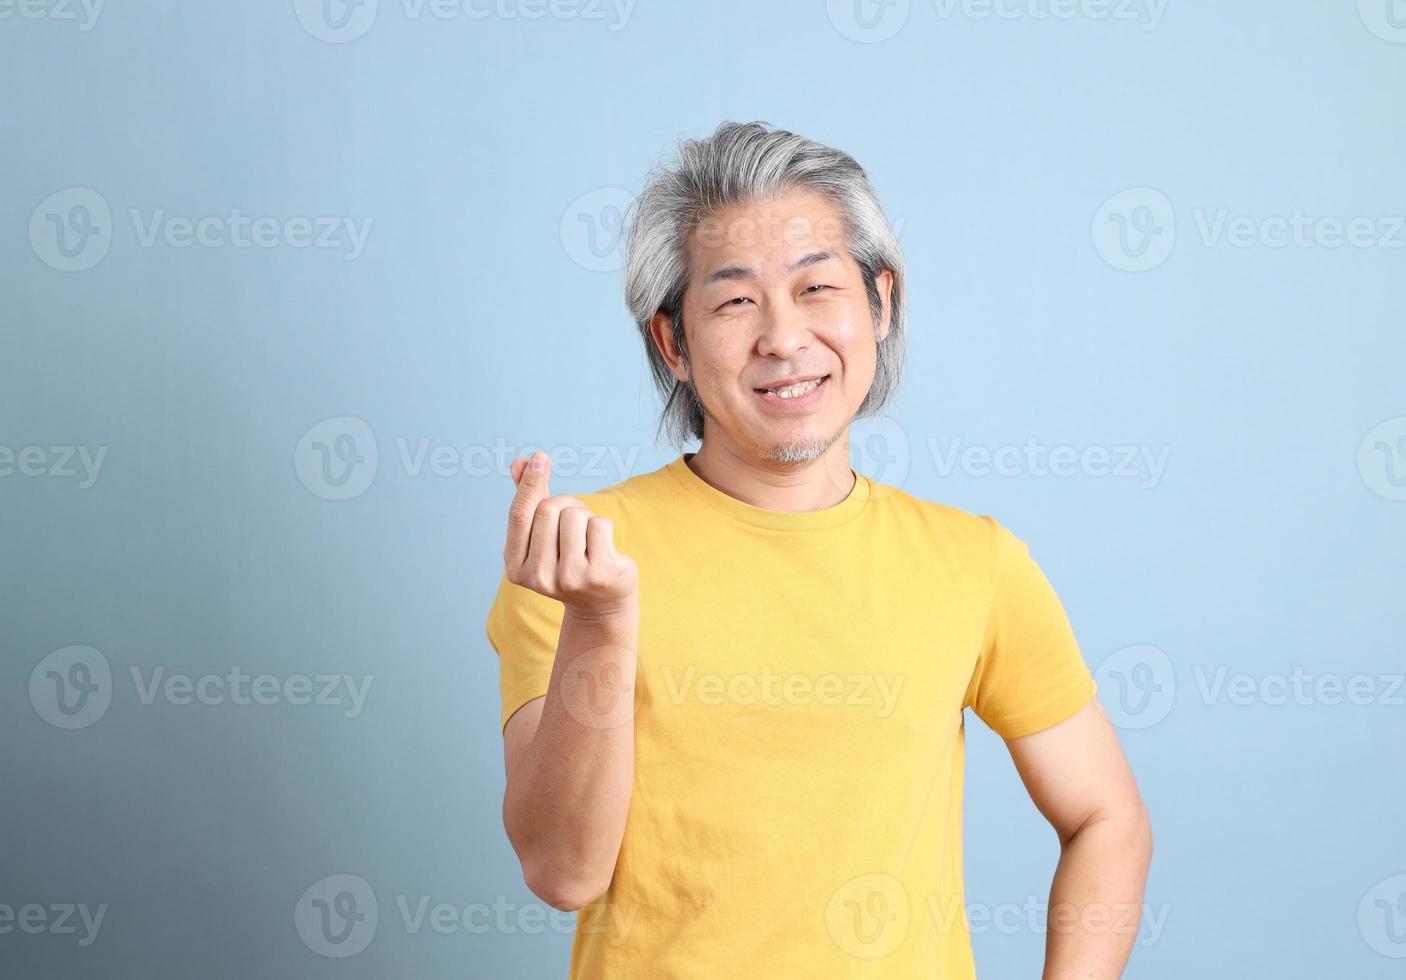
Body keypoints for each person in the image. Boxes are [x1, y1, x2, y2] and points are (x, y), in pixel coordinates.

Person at [485, 120, 1152, 979]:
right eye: (733, 301)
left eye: (816, 288)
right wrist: (605, 623)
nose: (783, 338)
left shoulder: (973, 563)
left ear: (879, 303)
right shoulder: (577, 562)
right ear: (673, 344)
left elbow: (1109, 818)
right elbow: (561, 871)